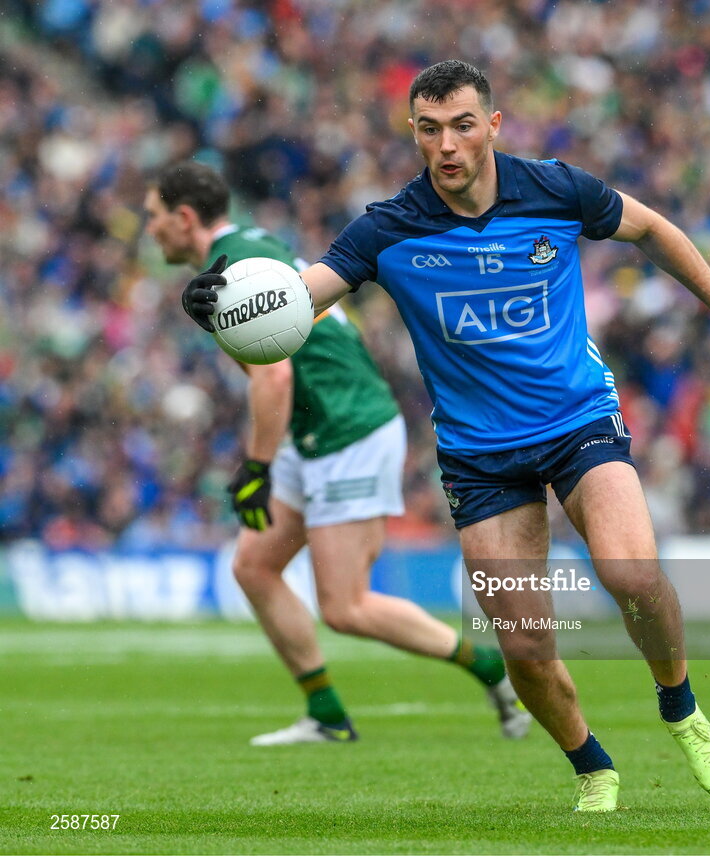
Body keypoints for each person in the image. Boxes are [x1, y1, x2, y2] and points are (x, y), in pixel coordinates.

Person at [182, 61, 710, 810]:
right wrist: (221, 306)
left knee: (632, 574)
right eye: (429, 129)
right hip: (480, 456)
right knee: (524, 644)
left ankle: (680, 705)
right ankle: (592, 764)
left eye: (462, 125)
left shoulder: (555, 189)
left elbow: (649, 227)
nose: (447, 144)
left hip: (577, 419)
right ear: (415, 134)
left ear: (492, 124)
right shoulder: (389, 227)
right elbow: (301, 297)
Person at [147, 160, 530, 745]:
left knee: (346, 606)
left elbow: (271, 376)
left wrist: (257, 468)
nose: (149, 231)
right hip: (315, 429)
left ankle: (491, 668)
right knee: (253, 566)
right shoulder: (249, 251)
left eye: (153, 218)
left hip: (347, 429)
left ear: (183, 217)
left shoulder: (238, 264)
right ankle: (325, 713)